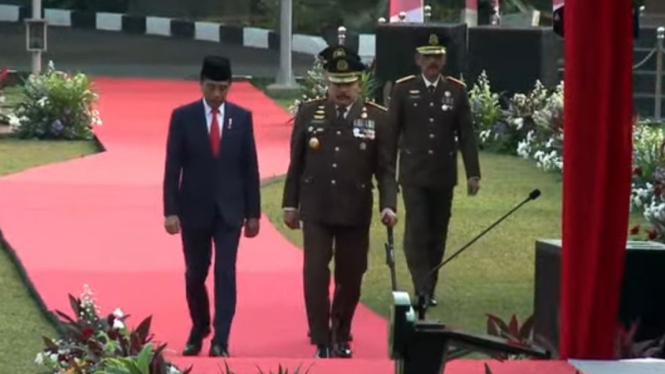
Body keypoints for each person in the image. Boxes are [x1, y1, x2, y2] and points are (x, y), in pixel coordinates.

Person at [281, 46, 398, 359]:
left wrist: (389, 205)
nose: (342, 90)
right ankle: (321, 338)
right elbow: (297, 163)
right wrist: (290, 204)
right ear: (327, 82)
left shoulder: (377, 118)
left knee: (351, 275)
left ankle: (341, 330)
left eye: (348, 84)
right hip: (316, 207)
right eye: (337, 83)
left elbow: (386, 170)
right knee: (315, 273)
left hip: (354, 209)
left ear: (359, 83)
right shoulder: (309, 112)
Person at [162, 55, 261, 357]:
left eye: (223, 88)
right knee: (195, 273)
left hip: (231, 211)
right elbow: (172, 167)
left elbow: (250, 168)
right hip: (193, 209)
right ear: (200, 84)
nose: (217, 95)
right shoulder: (183, 117)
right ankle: (200, 324)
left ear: (230, 86)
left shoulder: (241, 118)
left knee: (225, 272)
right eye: (211, 87)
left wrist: (254, 213)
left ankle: (222, 338)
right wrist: (170, 210)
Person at [387, 29, 481, 308]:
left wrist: (473, 173)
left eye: (438, 56)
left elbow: (467, 134)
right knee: (416, 231)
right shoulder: (403, 89)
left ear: (444, 59)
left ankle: (431, 284)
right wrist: (388, 175)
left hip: (443, 174)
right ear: (417, 59)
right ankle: (422, 287)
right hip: (414, 174)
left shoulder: (456, 90)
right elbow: (392, 134)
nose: (433, 61)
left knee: (437, 233)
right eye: (427, 56)